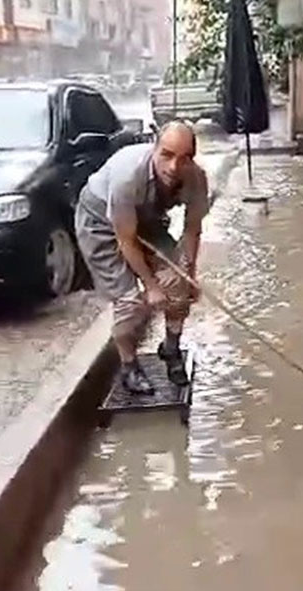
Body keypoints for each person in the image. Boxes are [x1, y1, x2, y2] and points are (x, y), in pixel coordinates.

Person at [75, 121, 209, 394]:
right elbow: (125, 239)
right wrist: (150, 285)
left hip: (146, 219)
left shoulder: (197, 179)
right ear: (154, 148)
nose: (173, 167)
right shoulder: (128, 177)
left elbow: (192, 231)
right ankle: (129, 366)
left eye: (184, 159)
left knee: (179, 284)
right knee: (130, 302)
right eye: (167, 155)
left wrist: (189, 274)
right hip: (101, 222)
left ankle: (171, 349)